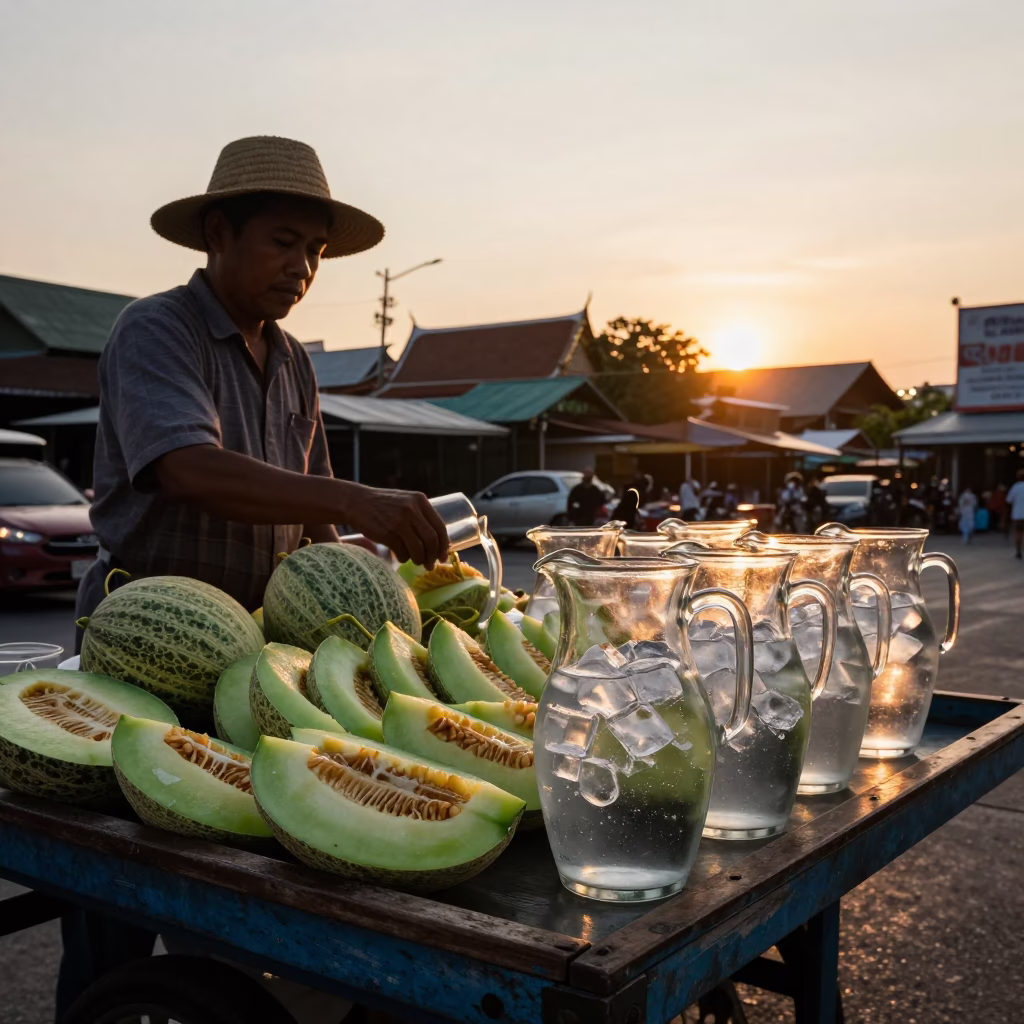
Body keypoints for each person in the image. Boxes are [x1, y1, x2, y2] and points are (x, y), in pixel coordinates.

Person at [60, 136, 449, 1018]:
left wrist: (377, 599)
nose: (303, 267)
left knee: (236, 891)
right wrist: (362, 496)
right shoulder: (155, 330)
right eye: (282, 241)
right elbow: (185, 468)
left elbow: (312, 527)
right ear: (217, 233)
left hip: (253, 665)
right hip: (141, 656)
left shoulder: (296, 361)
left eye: (314, 250)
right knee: (115, 906)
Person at [1007, 469, 1024, 559]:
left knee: (1018, 532)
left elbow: (1009, 500)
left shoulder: (1015, 487)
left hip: (1018, 514)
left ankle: (1018, 550)